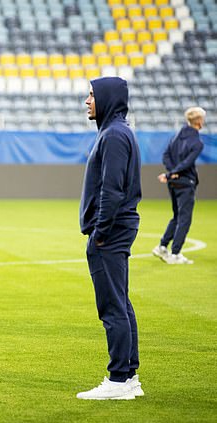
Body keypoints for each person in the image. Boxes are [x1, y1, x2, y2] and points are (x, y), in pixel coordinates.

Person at [77, 77, 144, 400]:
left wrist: (100, 233)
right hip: (117, 230)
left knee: (112, 306)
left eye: (91, 95)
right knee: (121, 301)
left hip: (111, 233)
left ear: (106, 98)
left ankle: (118, 379)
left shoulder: (115, 135)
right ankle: (129, 375)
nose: (87, 101)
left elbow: (112, 189)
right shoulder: (116, 131)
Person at [152, 107, 206, 265]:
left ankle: (162, 246)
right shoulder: (197, 142)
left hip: (173, 182)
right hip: (185, 182)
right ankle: (175, 254)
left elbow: (165, 156)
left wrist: (171, 172)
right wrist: (173, 173)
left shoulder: (176, 137)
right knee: (184, 219)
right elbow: (188, 162)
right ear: (199, 121)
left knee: (177, 216)